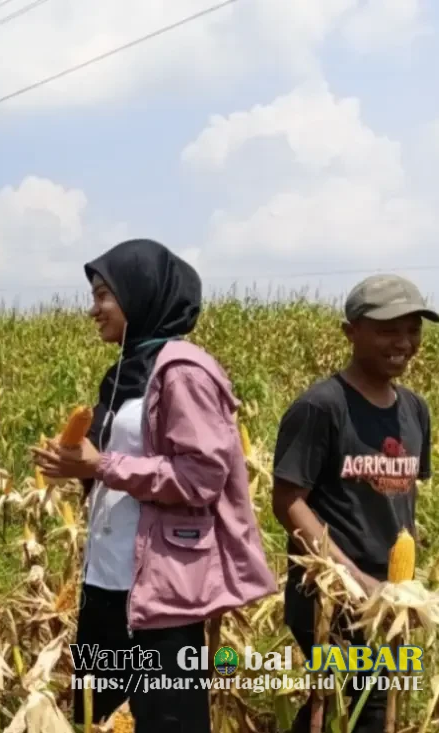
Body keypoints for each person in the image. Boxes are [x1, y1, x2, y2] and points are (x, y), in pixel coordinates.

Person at [33, 238, 276, 732]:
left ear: (142, 294)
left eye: (104, 295)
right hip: (107, 578)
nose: (93, 309)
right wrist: (76, 466)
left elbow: (202, 477)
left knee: (167, 721)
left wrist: (101, 466)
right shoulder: (124, 371)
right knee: (95, 718)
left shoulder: (183, 371)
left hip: (161, 591)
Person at [273, 274, 438, 733]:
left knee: (351, 707)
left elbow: (402, 498)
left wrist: (406, 585)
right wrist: (353, 578)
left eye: (413, 329)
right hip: (329, 595)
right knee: (362, 708)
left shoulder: (415, 409)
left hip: (389, 595)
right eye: (388, 329)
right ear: (351, 332)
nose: (403, 342)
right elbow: (288, 502)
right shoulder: (322, 407)